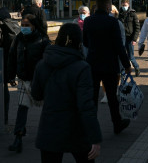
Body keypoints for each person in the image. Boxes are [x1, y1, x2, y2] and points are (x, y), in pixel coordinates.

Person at [32, 23, 102, 162]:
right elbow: (86, 106)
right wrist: (95, 138)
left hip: (50, 128)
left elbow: (36, 95)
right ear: (79, 42)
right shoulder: (82, 68)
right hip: (77, 130)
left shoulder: (42, 64)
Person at [83, 0, 132, 134]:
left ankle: (92, 127)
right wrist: (126, 65)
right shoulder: (112, 22)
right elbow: (119, 46)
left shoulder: (88, 21)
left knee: (92, 97)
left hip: (92, 64)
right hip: (110, 65)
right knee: (112, 97)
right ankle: (117, 124)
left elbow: (85, 42)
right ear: (108, 7)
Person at [7, 14, 51, 153]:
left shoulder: (43, 40)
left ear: (34, 26)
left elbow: (48, 61)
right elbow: (12, 57)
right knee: (22, 107)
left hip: (39, 80)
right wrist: (10, 75)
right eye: (23, 25)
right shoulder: (18, 39)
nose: (24, 28)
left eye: (27, 25)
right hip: (24, 79)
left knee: (46, 107)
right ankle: (18, 137)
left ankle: (48, 132)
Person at [118, 0, 141, 76]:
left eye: (125, 5)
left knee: (131, 56)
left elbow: (137, 27)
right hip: (122, 38)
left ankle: (136, 67)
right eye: (123, 5)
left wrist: (134, 39)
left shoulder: (132, 14)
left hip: (130, 38)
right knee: (122, 55)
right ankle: (123, 71)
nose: (124, 6)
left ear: (128, 5)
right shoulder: (119, 14)